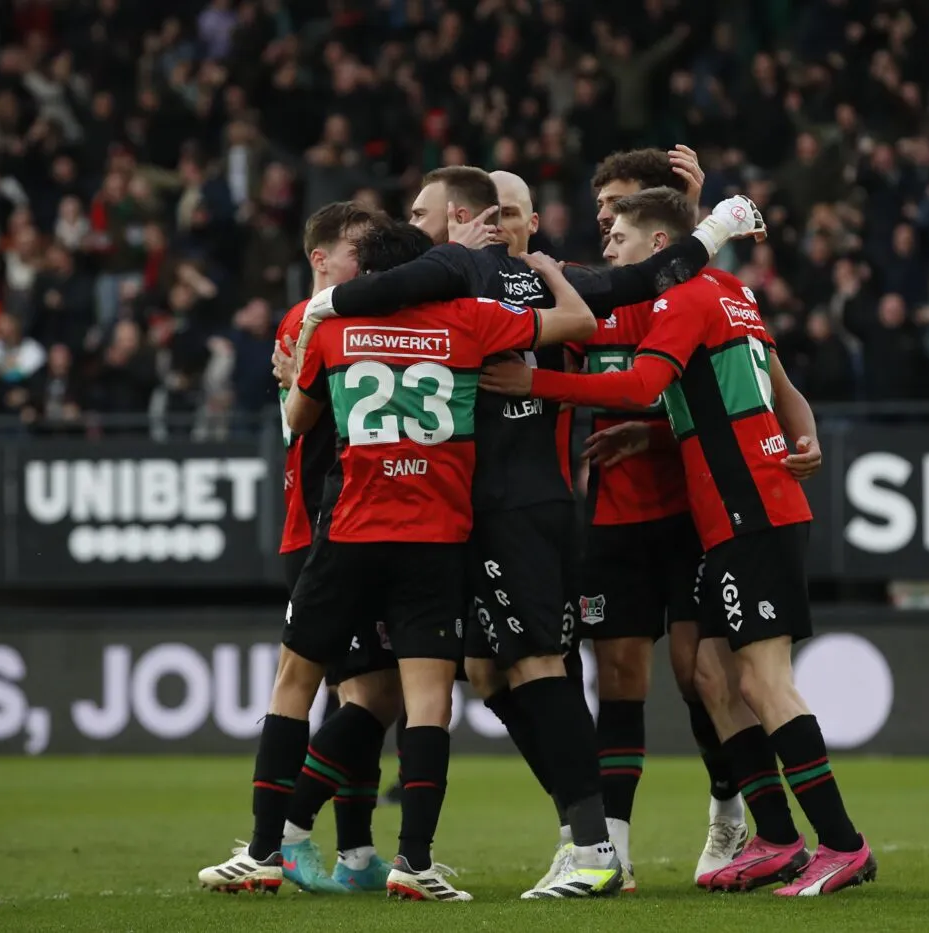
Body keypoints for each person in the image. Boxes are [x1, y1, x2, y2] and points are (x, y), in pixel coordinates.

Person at [296, 166, 766, 899]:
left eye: (422, 213)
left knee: (537, 667)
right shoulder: (546, 281)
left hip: (518, 506)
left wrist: (317, 310)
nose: (411, 225)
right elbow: (654, 274)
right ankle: (579, 835)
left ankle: (594, 843)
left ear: (469, 218)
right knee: (489, 673)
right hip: (487, 512)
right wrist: (717, 225)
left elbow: (367, 298)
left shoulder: (457, 270)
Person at [480, 188, 877, 897]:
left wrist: (534, 379)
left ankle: (841, 844)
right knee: (716, 680)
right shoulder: (734, 293)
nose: (610, 252)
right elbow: (774, 391)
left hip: (746, 506)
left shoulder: (683, 301)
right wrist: (799, 433)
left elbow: (639, 384)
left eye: (621, 239)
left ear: (660, 246)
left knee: (763, 682)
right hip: (740, 507)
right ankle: (778, 837)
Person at [238, 220, 600, 902]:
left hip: (349, 531)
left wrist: (296, 373)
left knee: (295, 684)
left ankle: (263, 851)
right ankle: (416, 862)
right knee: (427, 699)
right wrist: (545, 270)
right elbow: (578, 319)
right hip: (435, 534)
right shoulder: (471, 318)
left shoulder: (335, 329)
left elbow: (300, 417)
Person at [198, 202, 400, 895]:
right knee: (373, 691)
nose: (369, 264)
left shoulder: (333, 314)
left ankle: (356, 852)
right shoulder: (318, 316)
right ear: (321, 259)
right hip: (328, 528)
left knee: (362, 692)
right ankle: (279, 837)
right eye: (357, 250)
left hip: (341, 524)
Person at [581, 148, 752, 886]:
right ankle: (612, 845)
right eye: (600, 210)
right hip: (612, 514)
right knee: (618, 676)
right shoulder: (585, 297)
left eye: (620, 208)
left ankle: (727, 808)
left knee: (695, 674)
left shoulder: (692, 296)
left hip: (689, 510)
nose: (606, 220)